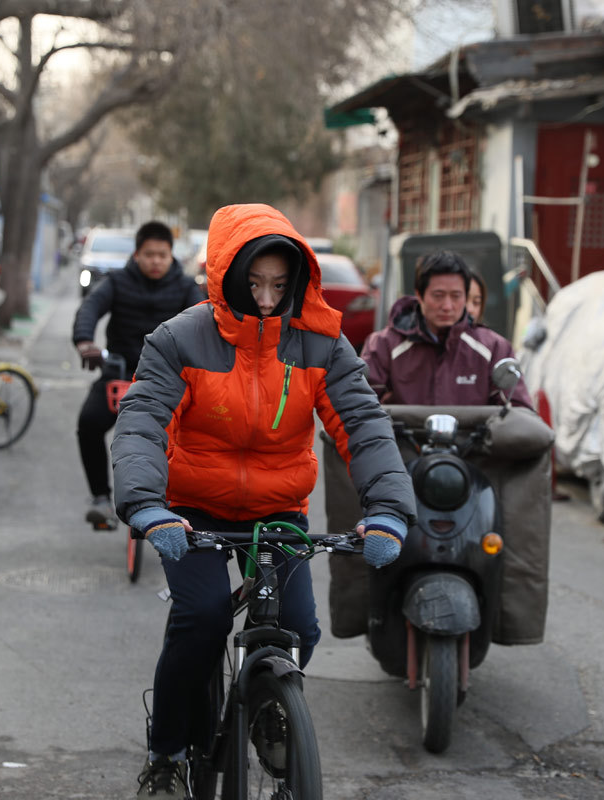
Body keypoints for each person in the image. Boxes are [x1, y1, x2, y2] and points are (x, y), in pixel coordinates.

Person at [111, 203, 416, 799]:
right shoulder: (179, 339)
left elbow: (364, 425)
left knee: (299, 627)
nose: (269, 298)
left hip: (278, 509)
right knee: (201, 618)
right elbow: (142, 420)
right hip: (190, 507)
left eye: (281, 284)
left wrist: (386, 511)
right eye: (254, 283)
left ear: (299, 281)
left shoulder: (322, 344)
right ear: (226, 276)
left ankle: (271, 706)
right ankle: (167, 749)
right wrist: (147, 505)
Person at [72, 221, 205, 528]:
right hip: (119, 372)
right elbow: (90, 308)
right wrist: (85, 341)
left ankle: (177, 504)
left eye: (162, 254)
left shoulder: (185, 287)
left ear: (172, 255)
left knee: (192, 435)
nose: (156, 260)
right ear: (137, 254)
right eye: (149, 254)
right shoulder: (117, 282)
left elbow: (203, 323)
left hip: (167, 378)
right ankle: (101, 499)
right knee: (88, 424)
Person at [361, 250, 533, 408]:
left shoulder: (495, 348)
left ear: (465, 296)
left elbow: (517, 410)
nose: (447, 306)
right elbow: (360, 404)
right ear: (419, 295)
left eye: (456, 296)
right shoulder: (384, 345)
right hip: (398, 442)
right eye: (438, 296)